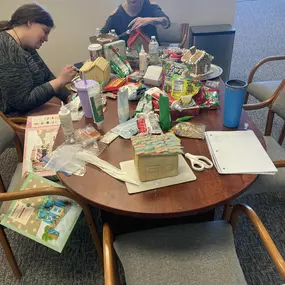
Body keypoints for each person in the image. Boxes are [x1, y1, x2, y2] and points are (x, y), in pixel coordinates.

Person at [0, 3, 77, 116]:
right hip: (17, 115)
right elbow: (22, 101)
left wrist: (68, 96)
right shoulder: (6, 46)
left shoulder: (25, 45)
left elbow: (46, 76)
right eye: (45, 31)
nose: (46, 39)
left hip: (33, 106)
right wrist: (60, 81)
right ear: (30, 22)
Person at [101, 0, 170, 42]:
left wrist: (149, 20)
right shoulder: (116, 14)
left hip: (153, 52)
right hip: (128, 60)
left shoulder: (150, 5)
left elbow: (166, 23)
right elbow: (101, 36)